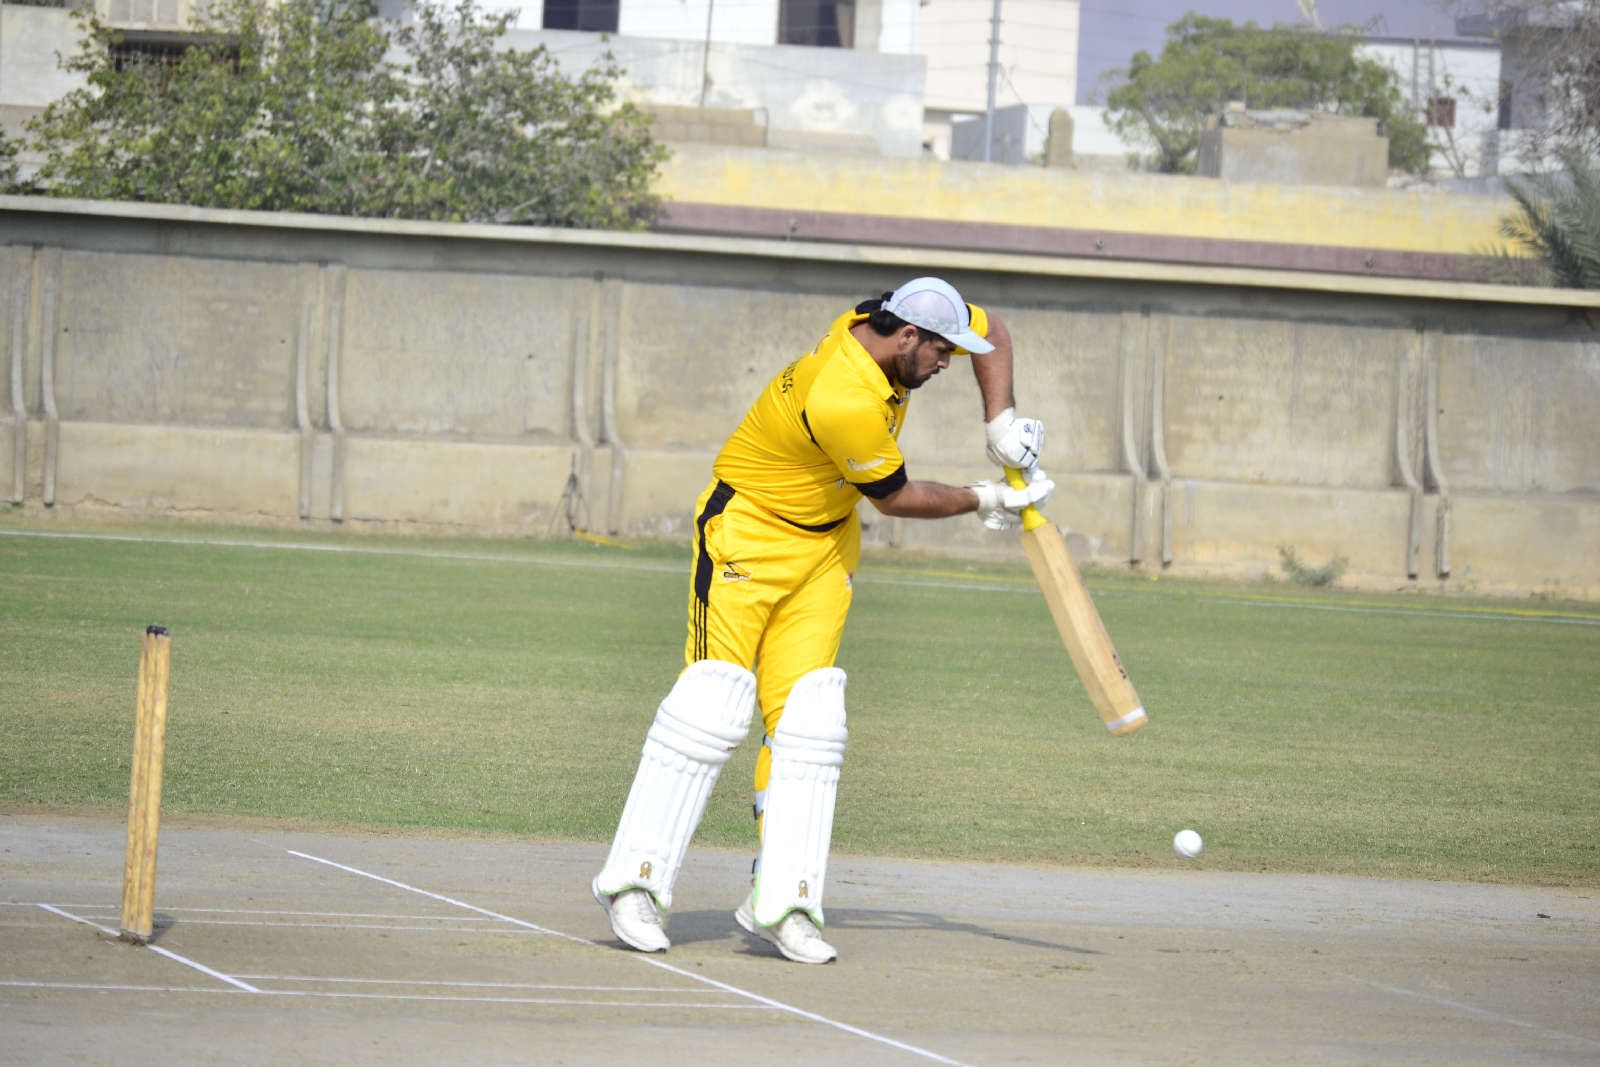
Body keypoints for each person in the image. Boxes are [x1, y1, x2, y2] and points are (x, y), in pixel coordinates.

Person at [591, 276, 1051, 964]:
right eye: (939, 352)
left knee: (807, 723)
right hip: (747, 532)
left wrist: (1001, 425)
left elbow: (996, 334)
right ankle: (634, 883)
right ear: (907, 336)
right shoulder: (844, 398)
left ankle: (783, 900)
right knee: (710, 704)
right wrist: (986, 498)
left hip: (826, 545)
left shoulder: (884, 323)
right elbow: (895, 498)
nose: (946, 364)